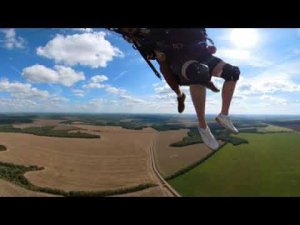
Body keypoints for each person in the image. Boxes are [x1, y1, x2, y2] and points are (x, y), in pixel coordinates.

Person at [117, 28, 219, 114]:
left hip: (181, 46)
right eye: (129, 31)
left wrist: (203, 44)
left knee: (194, 62)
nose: (130, 33)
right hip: (167, 56)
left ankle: (205, 79)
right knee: (165, 69)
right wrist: (153, 55)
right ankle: (180, 95)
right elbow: (149, 52)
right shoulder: (138, 40)